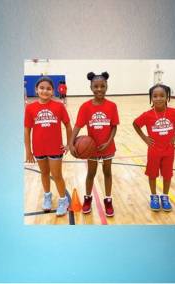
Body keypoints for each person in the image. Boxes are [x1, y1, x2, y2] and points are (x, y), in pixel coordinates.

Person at [69, 72, 119, 217]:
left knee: (107, 173)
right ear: (90, 87)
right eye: (96, 86)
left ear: (107, 87)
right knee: (91, 173)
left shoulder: (112, 106)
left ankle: (108, 200)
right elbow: (78, 125)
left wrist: (108, 142)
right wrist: (71, 143)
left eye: (102, 86)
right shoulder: (85, 107)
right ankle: (87, 198)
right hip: (91, 149)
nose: (99, 89)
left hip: (108, 147)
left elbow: (114, 126)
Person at [133, 84, 175, 211]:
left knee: (167, 175)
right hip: (154, 151)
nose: (158, 98)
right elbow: (135, 124)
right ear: (151, 98)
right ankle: (153, 196)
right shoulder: (147, 115)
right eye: (155, 96)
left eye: (162, 95)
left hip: (169, 151)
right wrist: (145, 138)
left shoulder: (173, 113)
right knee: (152, 174)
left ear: (167, 97)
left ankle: (165, 196)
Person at [24, 77, 73, 216]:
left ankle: (63, 200)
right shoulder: (30, 108)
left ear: (53, 91)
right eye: (42, 88)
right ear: (36, 89)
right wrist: (28, 151)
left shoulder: (59, 106)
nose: (45, 91)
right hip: (39, 147)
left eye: (48, 88)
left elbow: (68, 126)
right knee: (44, 173)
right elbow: (27, 130)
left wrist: (69, 144)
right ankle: (47, 196)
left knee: (57, 175)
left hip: (55, 147)